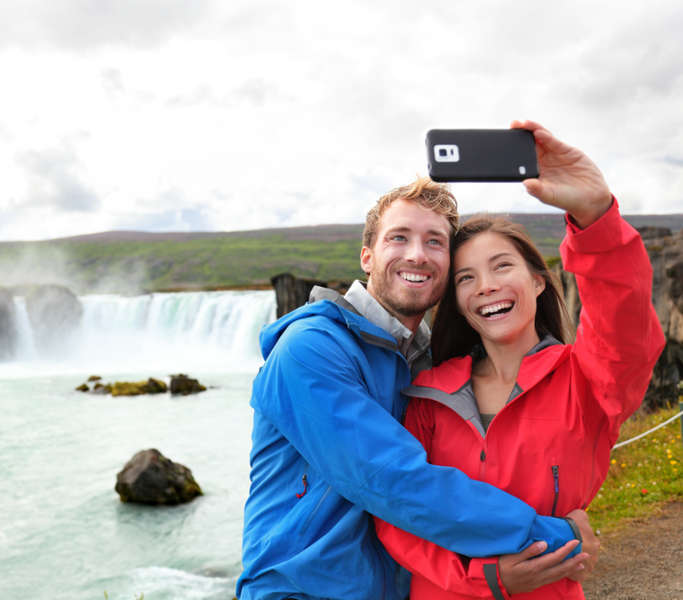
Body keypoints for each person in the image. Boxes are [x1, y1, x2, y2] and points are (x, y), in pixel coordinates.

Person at [237, 121, 599, 600]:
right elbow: (391, 480)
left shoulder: (426, 363)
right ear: (367, 256)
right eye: (398, 238)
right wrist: (553, 535)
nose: (417, 254)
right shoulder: (311, 349)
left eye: (435, 242)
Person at [374, 120, 665, 599]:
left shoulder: (587, 380)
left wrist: (594, 215)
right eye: (465, 278)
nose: (485, 285)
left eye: (502, 266)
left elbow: (624, 327)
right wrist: (487, 576)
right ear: (458, 302)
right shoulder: (426, 392)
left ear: (538, 281)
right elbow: (395, 514)